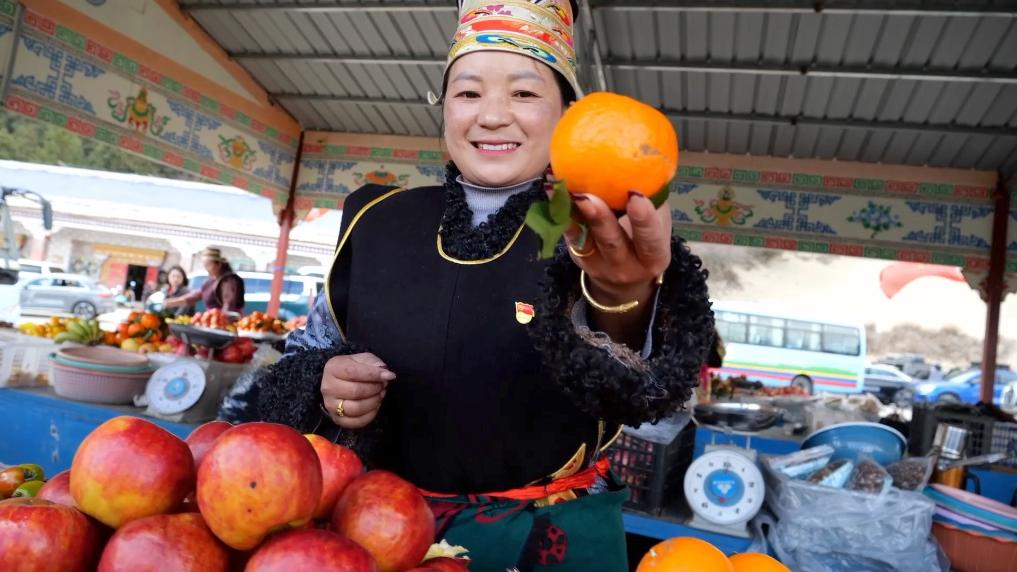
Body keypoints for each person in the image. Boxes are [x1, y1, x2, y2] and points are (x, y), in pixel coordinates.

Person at [219, 2, 713, 569]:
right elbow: (303, 357)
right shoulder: (376, 219)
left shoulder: (599, 233)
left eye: (524, 93)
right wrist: (326, 381)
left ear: (568, 115)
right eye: (469, 92)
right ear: (443, 106)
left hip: (545, 542)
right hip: (378, 530)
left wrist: (624, 298)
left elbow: (658, 410)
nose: (493, 116)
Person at [164, 247, 245, 314]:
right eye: (204, 265)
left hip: (226, 320)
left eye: (208, 265)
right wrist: (173, 302)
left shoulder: (229, 281)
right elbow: (195, 296)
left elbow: (229, 304)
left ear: (219, 264)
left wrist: (222, 319)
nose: (206, 268)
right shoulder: (209, 282)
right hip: (213, 319)